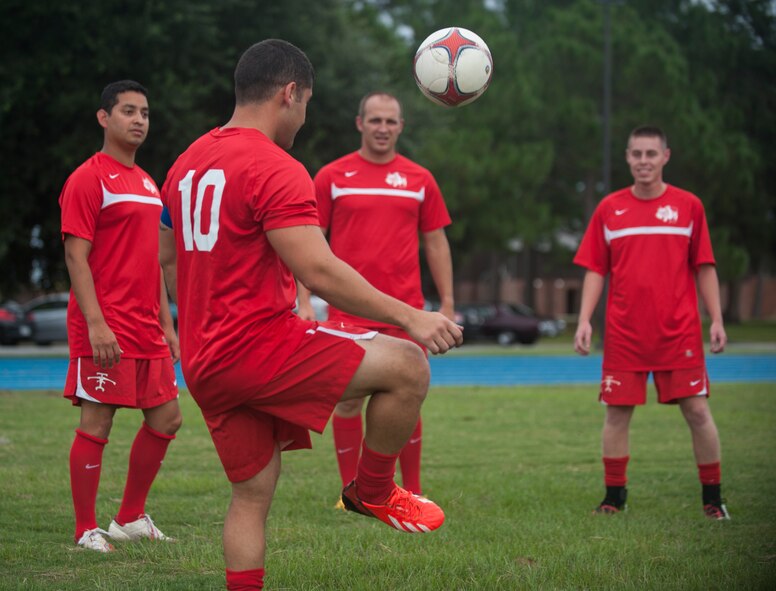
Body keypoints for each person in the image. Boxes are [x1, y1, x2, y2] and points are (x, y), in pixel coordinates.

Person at [158, 40, 462, 591]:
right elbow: (319, 271)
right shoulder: (277, 165)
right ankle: (371, 489)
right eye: (306, 105)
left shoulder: (185, 163)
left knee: (251, 495)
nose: (302, 118)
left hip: (205, 362)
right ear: (289, 93)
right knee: (408, 365)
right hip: (257, 346)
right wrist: (413, 317)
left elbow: (163, 256)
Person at [296, 91, 454, 498]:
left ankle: (412, 489)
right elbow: (309, 243)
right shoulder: (331, 176)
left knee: (409, 398)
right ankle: (352, 493)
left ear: (401, 127)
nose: (383, 128)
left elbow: (436, 243)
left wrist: (448, 303)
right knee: (346, 403)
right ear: (359, 124)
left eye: (391, 121)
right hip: (346, 311)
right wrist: (302, 301)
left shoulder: (420, 179)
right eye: (375, 120)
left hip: (405, 310)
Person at [573, 125, 729, 520]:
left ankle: (713, 501)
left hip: (679, 333)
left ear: (665, 157)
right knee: (616, 414)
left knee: (697, 411)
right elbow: (595, 268)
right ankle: (614, 499)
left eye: (651, 154)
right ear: (627, 157)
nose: (644, 161)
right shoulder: (610, 209)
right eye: (636, 154)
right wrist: (584, 319)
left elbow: (704, 265)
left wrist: (717, 319)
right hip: (625, 334)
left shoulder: (689, 206)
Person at [59, 80, 182, 553]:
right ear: (103, 118)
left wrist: (168, 326)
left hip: (147, 327)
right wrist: (95, 324)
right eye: (128, 111)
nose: (138, 120)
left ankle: (129, 517)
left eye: (145, 113)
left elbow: (154, 260)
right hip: (104, 327)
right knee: (98, 424)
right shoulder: (88, 178)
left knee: (168, 418)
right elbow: (75, 256)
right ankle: (85, 528)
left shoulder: (149, 183)